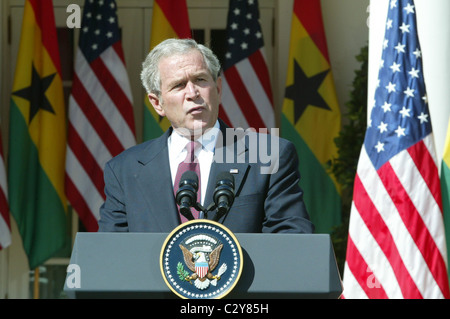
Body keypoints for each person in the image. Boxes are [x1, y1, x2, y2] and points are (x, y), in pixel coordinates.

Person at [98, 38, 314, 234]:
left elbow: (292, 239)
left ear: (218, 88)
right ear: (157, 103)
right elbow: (110, 255)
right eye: (179, 85)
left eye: (200, 80)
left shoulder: (268, 154)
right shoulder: (125, 169)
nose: (193, 93)